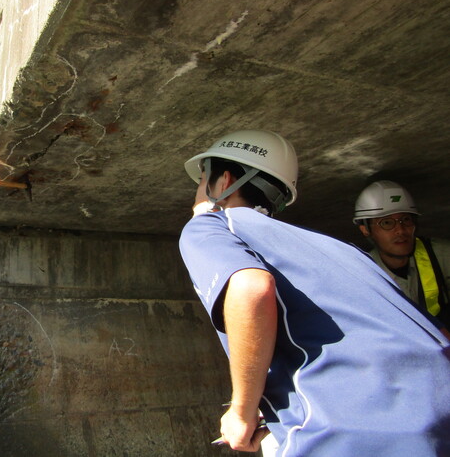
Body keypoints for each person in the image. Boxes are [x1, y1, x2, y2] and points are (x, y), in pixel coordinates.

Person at [178, 129, 450, 456]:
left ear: (223, 181)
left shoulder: (212, 225)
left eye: (200, 181)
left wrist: (241, 411)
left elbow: (251, 290)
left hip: (350, 437)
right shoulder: (342, 251)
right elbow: (434, 334)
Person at [354, 180, 450, 329]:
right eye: (386, 223)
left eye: (406, 220)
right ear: (365, 230)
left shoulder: (442, 255)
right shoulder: (364, 274)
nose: (400, 230)